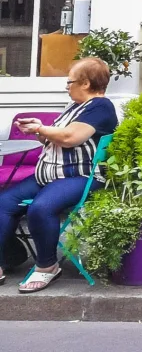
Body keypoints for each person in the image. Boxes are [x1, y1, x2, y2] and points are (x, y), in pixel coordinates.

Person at [0, 57, 117, 293]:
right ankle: (8, 257)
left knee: (41, 208)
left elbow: (70, 138)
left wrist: (40, 128)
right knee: (3, 203)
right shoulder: (75, 106)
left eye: (70, 81)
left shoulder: (100, 107)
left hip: (79, 177)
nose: (66, 86)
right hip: (49, 175)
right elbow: (57, 137)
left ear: (85, 83)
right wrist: (39, 132)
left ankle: (47, 267)